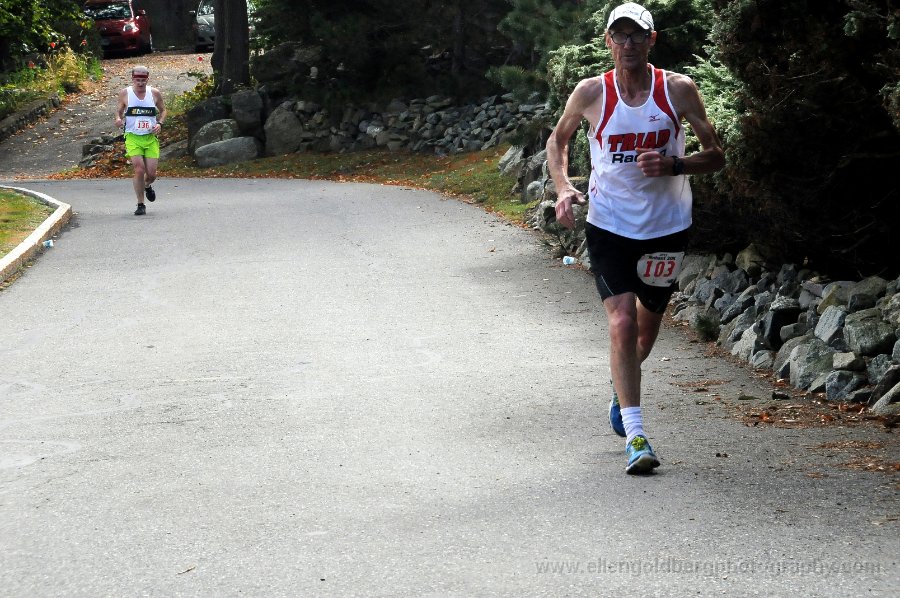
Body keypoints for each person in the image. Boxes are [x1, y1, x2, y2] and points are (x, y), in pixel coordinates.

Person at [546, 2, 725, 474]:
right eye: (619, 36)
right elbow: (558, 140)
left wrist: (674, 164)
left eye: (637, 35)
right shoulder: (592, 92)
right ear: (608, 42)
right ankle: (637, 434)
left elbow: (716, 154)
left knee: (644, 333)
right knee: (622, 323)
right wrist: (563, 187)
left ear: (652, 40)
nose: (628, 44)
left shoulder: (678, 90)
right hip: (608, 224)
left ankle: (620, 385)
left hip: (667, 227)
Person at [115, 65, 166, 216]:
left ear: (147, 79)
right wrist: (118, 119)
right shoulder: (125, 93)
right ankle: (140, 204)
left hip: (150, 138)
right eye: (137, 80)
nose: (140, 83)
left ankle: (147, 185)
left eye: (143, 80)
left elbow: (163, 110)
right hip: (132, 136)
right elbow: (119, 111)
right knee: (139, 169)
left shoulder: (154, 93)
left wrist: (160, 123)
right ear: (133, 79)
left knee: (151, 174)